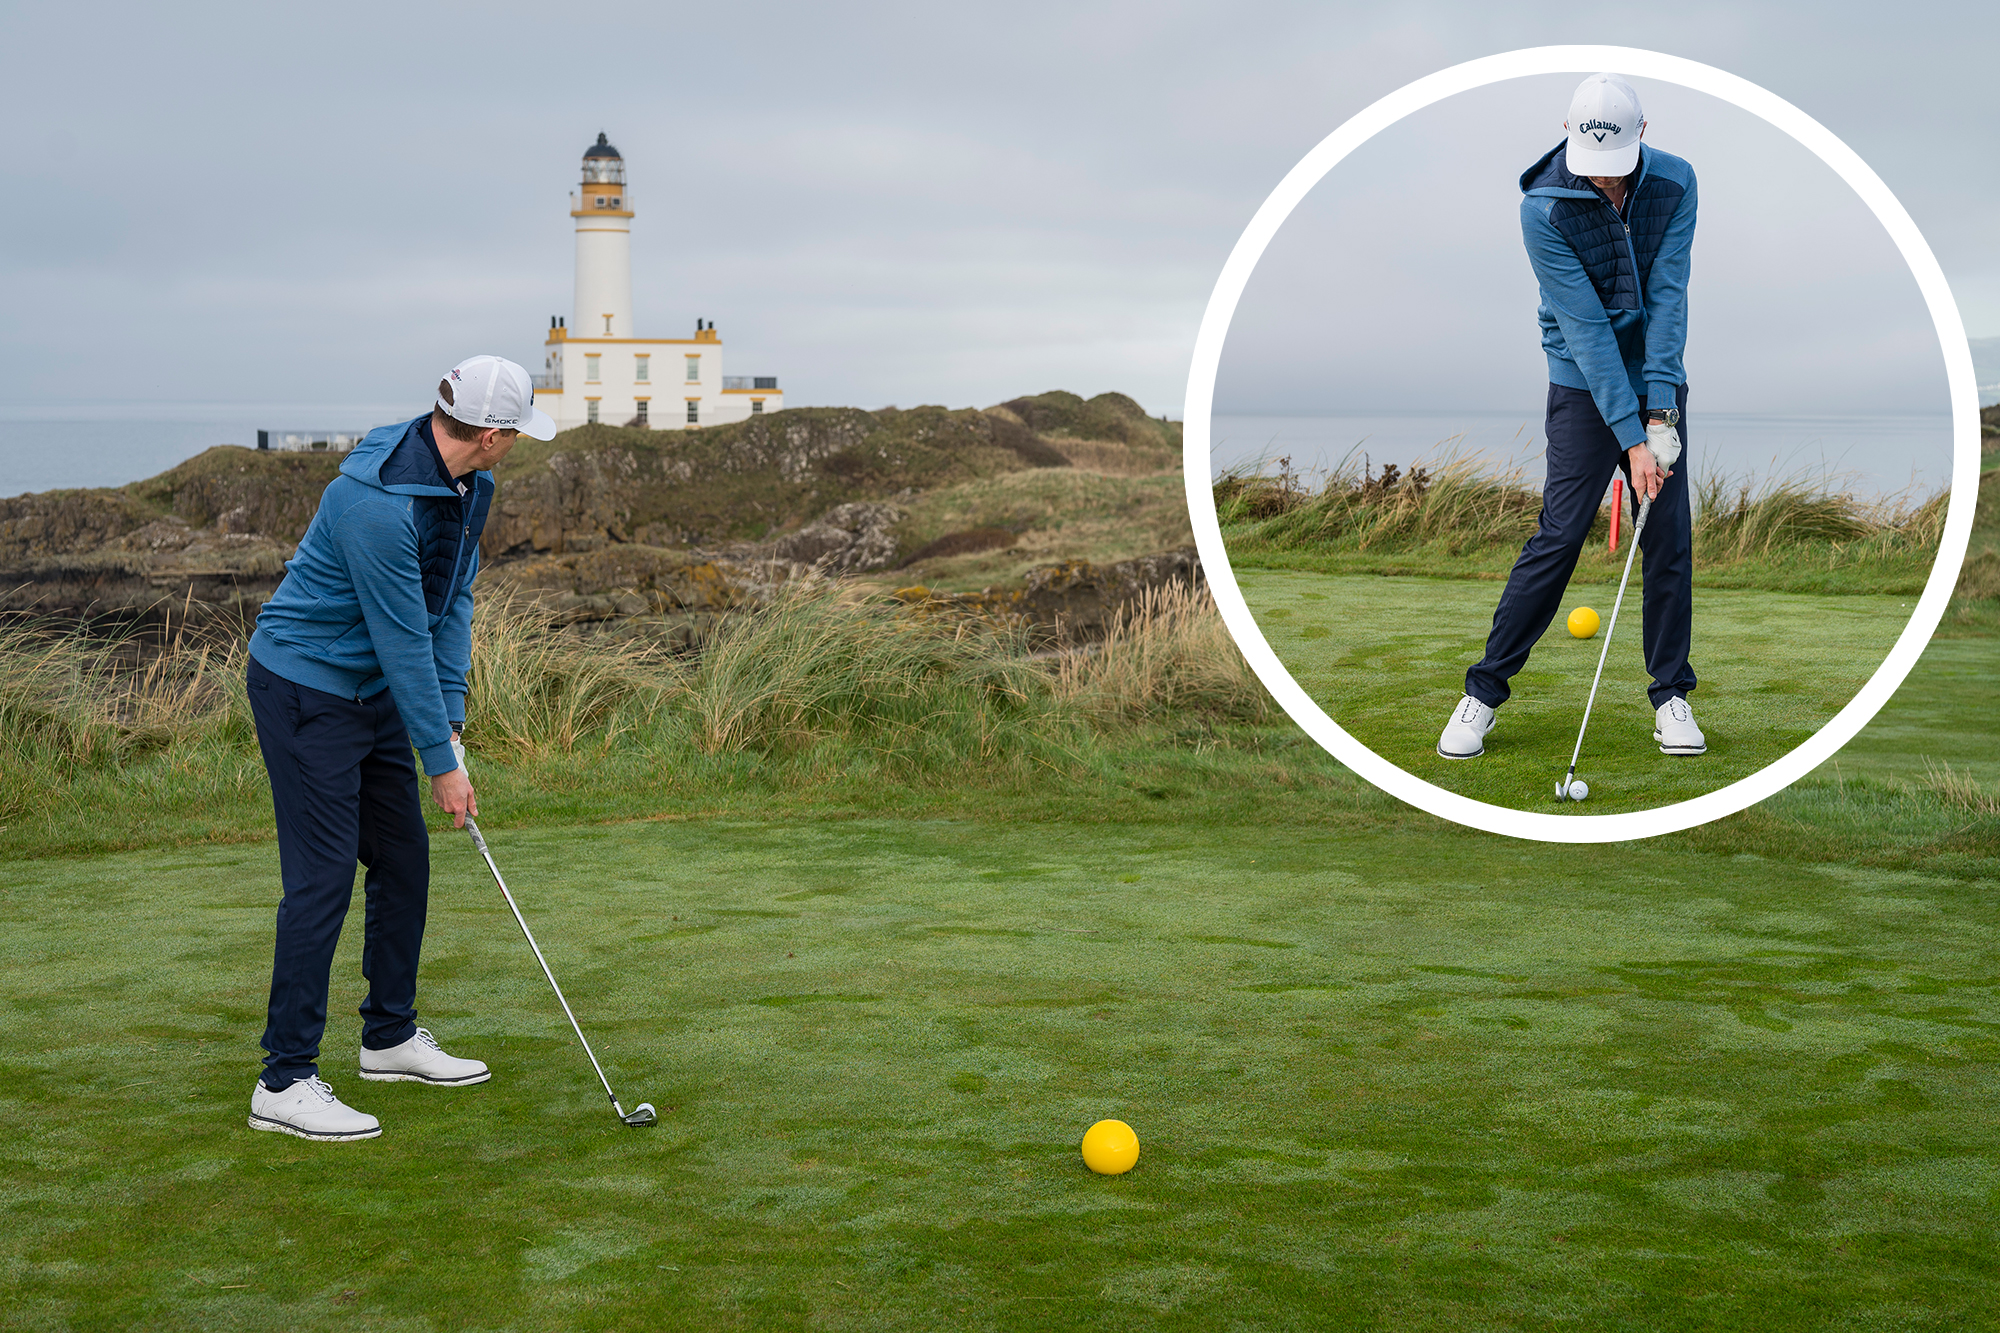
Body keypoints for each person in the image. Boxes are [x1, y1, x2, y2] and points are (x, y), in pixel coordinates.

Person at [244, 355, 556, 1141]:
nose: (517, 443)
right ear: (491, 433)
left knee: (403, 857)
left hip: (373, 687)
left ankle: (387, 1036)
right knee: (321, 880)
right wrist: (441, 765)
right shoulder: (376, 507)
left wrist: (448, 723)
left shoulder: (469, 484)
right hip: (306, 687)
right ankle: (283, 1080)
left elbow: (451, 603)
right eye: (516, 431)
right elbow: (402, 635)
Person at [1439, 73, 1705, 762]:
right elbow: (1587, 331)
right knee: (1559, 535)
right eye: (1593, 165)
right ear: (1566, 133)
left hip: (1657, 378)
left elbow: (1668, 297)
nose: (1604, 180)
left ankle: (1671, 697)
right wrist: (1632, 441)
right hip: (1582, 384)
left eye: (1615, 165)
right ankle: (1482, 693)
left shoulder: (1676, 182)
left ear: (1642, 134)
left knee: (1666, 537)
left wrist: (1661, 415)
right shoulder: (1542, 210)